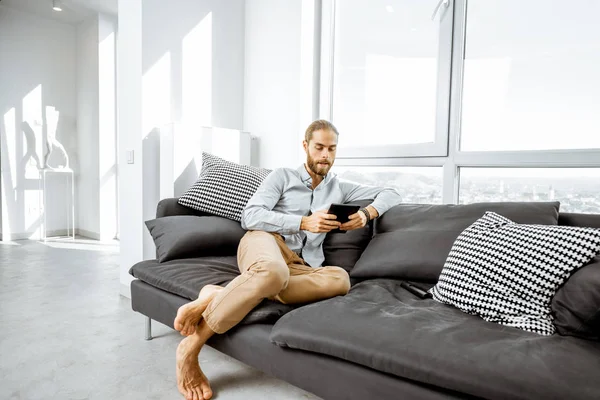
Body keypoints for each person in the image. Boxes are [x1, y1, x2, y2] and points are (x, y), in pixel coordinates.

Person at [173, 120, 402, 400]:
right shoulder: (282, 177)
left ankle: (217, 293)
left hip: (300, 266)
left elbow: (392, 192)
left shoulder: (339, 188)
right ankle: (192, 345)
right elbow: (251, 216)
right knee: (272, 273)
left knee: (341, 280)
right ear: (305, 146)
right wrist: (304, 222)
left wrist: (367, 214)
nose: (325, 156)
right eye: (319, 147)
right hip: (265, 242)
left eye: (331, 149)